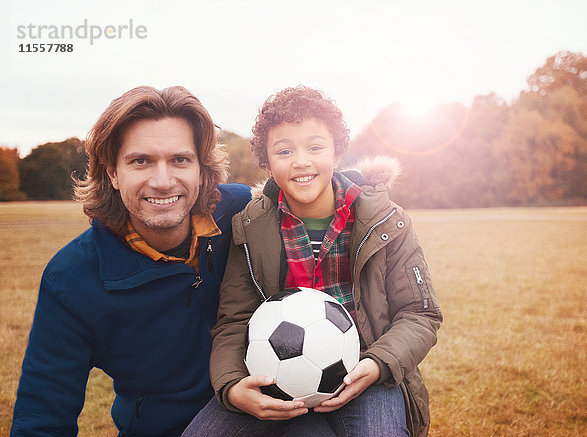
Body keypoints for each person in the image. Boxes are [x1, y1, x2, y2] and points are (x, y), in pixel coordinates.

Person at [182, 86, 443, 437]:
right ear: (267, 160)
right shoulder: (251, 227)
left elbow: (419, 313)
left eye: (315, 147)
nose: (301, 161)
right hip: (277, 377)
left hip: (367, 375)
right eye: (285, 150)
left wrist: (378, 364)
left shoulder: (386, 220)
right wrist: (231, 386)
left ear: (336, 153)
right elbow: (234, 319)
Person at [10, 86, 251, 436]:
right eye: (141, 161)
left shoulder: (244, 214)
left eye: (180, 160)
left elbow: (324, 193)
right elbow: (42, 418)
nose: (163, 181)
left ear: (201, 167)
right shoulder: (72, 279)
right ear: (112, 173)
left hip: (269, 417)